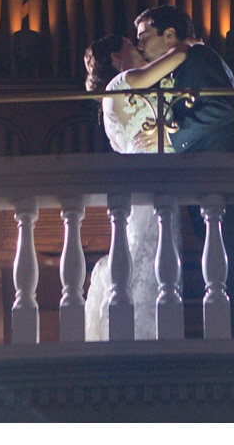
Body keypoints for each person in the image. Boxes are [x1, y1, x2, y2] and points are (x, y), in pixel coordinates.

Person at [81, 32, 189, 340]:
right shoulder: (121, 84)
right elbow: (177, 58)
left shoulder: (116, 100)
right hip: (149, 186)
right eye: (132, 45)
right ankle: (142, 335)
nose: (139, 48)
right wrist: (185, 44)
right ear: (117, 58)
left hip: (151, 184)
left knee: (152, 262)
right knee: (150, 263)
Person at [133, 4, 234, 153]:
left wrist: (172, 137)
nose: (139, 46)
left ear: (169, 35)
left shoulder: (197, 56)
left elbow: (221, 107)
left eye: (144, 38)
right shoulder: (171, 70)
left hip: (225, 165)